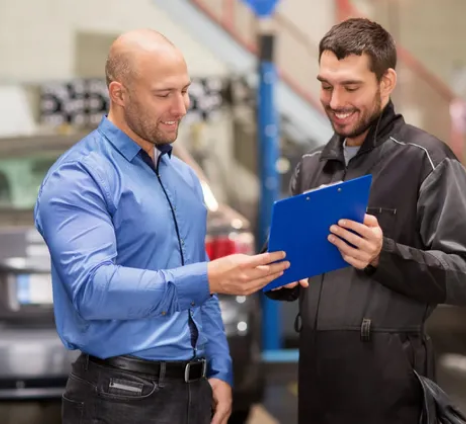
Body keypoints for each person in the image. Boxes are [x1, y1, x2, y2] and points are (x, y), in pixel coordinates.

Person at [34, 29, 290, 424]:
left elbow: (200, 287)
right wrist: (206, 277)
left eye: (185, 91)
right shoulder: (80, 176)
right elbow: (93, 290)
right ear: (119, 94)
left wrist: (219, 368)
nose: (181, 107)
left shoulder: (184, 179)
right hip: (118, 398)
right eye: (163, 94)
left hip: (191, 390)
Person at [266, 18, 466, 424]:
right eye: (326, 85)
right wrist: (278, 275)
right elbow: (286, 267)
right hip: (316, 381)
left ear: (387, 82)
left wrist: (380, 255)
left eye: (351, 87)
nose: (334, 101)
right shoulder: (311, 168)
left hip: (389, 385)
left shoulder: (427, 162)